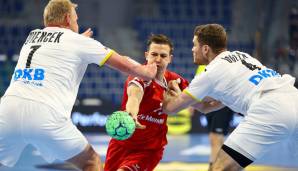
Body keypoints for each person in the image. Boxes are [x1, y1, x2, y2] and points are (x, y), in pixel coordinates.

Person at [0, 0, 157, 170]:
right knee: (90, 161)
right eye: (76, 19)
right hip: (45, 112)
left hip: (8, 108)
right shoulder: (78, 42)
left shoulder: (32, 36)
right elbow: (125, 66)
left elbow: (57, 45)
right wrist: (148, 72)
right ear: (67, 18)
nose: (77, 23)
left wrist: (77, 40)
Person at [162, 23, 298, 171]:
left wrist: (166, 90)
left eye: (194, 45)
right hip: (292, 95)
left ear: (205, 49)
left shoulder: (210, 73)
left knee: (219, 168)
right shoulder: (242, 56)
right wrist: (187, 97)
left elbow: (170, 108)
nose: (192, 49)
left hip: (270, 108)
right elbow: (207, 107)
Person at [104, 34, 189, 171]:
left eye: (163, 56)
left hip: (149, 150)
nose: (158, 59)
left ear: (170, 59)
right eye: (154, 54)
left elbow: (198, 97)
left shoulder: (175, 81)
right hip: (120, 144)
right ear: (146, 55)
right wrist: (131, 115)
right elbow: (134, 96)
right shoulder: (139, 77)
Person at [196, 65, 234, 171]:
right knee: (215, 139)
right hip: (209, 105)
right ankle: (222, 166)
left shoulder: (222, 64)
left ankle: (214, 168)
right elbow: (198, 87)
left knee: (216, 138)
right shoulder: (201, 66)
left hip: (221, 104)